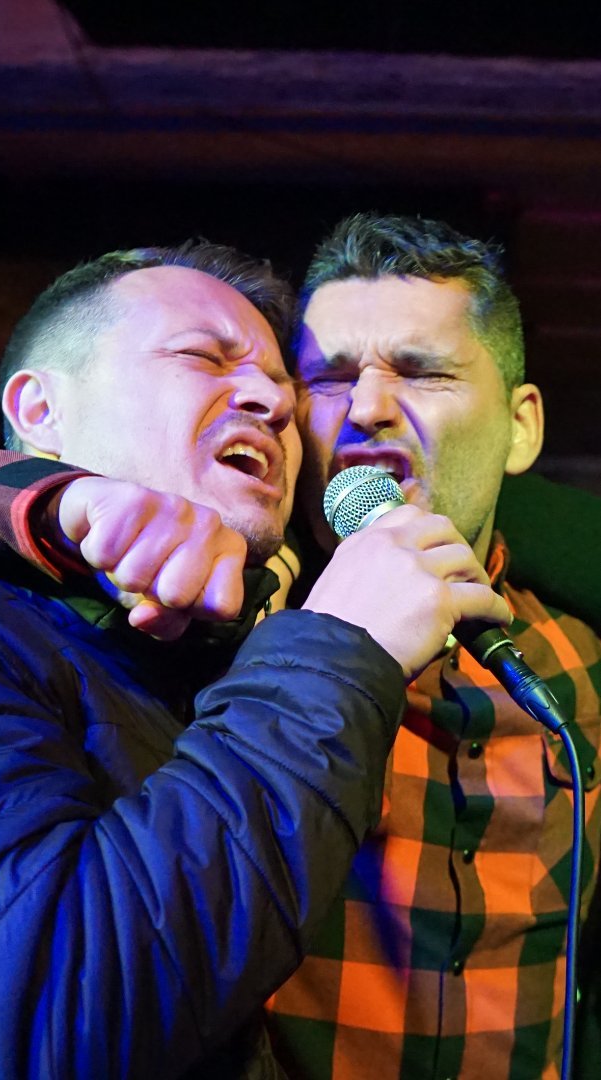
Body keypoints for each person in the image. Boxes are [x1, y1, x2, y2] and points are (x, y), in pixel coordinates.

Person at [0, 241, 509, 1080]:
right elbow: (43, 1017)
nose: (274, 402)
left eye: (283, 385)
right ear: (39, 409)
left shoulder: (215, 633)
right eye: (202, 357)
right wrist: (340, 647)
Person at [261, 213, 601, 1080]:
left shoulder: (575, 659)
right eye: (329, 378)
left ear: (520, 428)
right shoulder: (240, 641)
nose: (366, 407)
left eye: (421, 371)